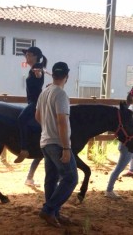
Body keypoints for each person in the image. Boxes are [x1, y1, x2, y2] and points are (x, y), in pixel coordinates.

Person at [35, 62, 78, 228]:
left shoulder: (44, 92)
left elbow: (38, 116)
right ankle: (48, 209)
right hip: (58, 143)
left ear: (53, 75)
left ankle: (53, 213)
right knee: (71, 178)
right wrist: (66, 147)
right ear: (67, 76)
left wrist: (47, 127)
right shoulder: (60, 94)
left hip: (45, 142)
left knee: (51, 178)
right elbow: (62, 122)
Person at [14, 46, 48, 163]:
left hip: (36, 102)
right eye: (26, 55)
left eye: (28, 55)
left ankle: (24, 149)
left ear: (35, 56)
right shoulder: (33, 68)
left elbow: (38, 76)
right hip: (33, 102)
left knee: (21, 119)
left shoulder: (37, 67)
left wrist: (38, 74)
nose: (26, 57)